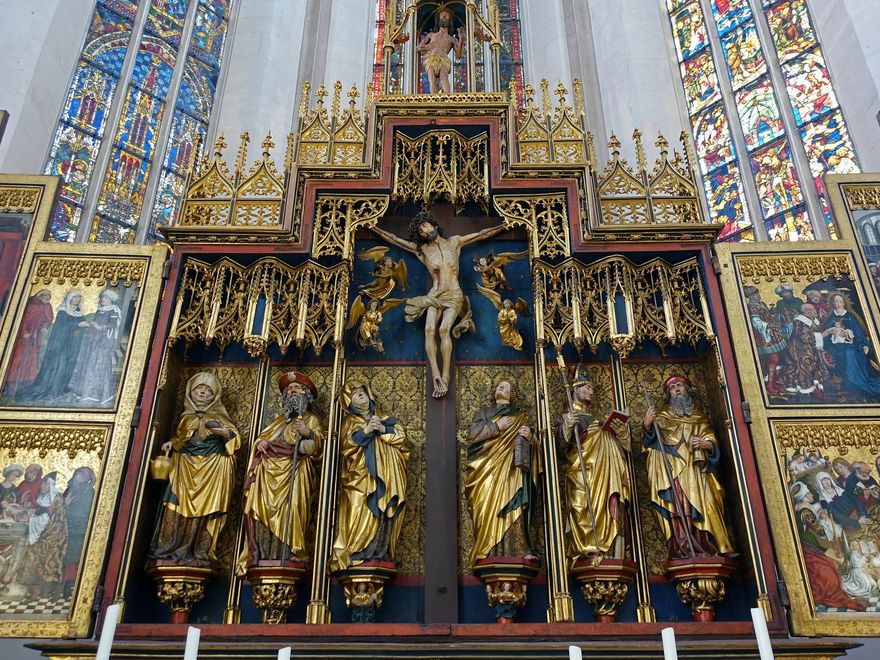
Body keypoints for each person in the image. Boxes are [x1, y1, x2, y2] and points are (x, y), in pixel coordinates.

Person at [370, 211, 506, 397]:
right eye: (421, 230)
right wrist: (371, 227)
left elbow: (481, 234)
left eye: (426, 226)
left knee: (444, 330)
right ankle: (435, 375)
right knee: (428, 329)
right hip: (435, 294)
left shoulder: (455, 242)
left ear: (433, 225)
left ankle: (446, 376)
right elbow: (394, 240)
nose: (425, 231)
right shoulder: (423, 251)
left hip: (454, 294)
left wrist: (505, 225)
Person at [150, 372, 240, 567]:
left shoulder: (219, 416)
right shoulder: (186, 417)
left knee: (205, 509)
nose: (202, 392)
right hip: (184, 466)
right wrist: (171, 443)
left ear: (214, 396)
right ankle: (171, 547)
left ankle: (199, 549)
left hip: (212, 467)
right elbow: (182, 437)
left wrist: (224, 433)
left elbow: (235, 439)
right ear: (191, 392)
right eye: (199, 388)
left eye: (207, 390)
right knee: (175, 506)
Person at [238, 371, 324, 571]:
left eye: (297, 389)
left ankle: (290, 553)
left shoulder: (310, 419)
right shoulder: (278, 422)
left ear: (306, 396)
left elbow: (319, 448)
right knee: (261, 509)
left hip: (296, 474)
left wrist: (308, 433)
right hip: (268, 478)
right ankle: (265, 553)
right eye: (289, 390)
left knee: (293, 509)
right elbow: (262, 439)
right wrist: (261, 444)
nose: (293, 392)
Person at [642, 375, 733, 559]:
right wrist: (647, 424)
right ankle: (683, 548)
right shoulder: (662, 416)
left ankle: (711, 546)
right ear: (668, 394)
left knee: (708, 503)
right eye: (673, 388)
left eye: (680, 386)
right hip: (674, 470)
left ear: (687, 390)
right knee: (680, 507)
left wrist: (707, 444)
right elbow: (650, 443)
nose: (676, 390)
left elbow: (711, 437)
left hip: (697, 470)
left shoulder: (699, 417)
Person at [331, 379, 409, 572]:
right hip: (361, 479)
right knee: (361, 512)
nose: (359, 393)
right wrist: (366, 431)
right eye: (354, 392)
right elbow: (345, 447)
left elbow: (401, 440)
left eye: (362, 391)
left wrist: (382, 429)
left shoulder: (386, 418)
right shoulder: (350, 422)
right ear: (348, 401)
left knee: (383, 511)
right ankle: (357, 553)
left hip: (387, 479)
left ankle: (379, 552)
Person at [556, 367, 629, 563]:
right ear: (575, 389)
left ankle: (610, 548)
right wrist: (566, 427)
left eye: (592, 389)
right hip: (581, 473)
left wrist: (619, 433)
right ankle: (585, 550)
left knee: (609, 504)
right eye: (587, 387)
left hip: (606, 475)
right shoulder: (565, 416)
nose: (591, 391)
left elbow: (623, 448)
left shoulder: (598, 419)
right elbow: (558, 451)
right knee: (581, 507)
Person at [464, 379, 537, 566]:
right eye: (498, 386)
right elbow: (471, 436)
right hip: (487, 470)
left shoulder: (520, 417)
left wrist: (530, 437)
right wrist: (497, 426)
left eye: (505, 387)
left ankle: (519, 549)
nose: (500, 388)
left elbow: (534, 448)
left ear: (512, 394)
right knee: (487, 505)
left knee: (513, 503)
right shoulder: (484, 413)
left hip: (511, 471)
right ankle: (487, 549)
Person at [789, 481, 864, 610]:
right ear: (803, 496)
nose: (811, 495)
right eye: (808, 493)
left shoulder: (798, 506)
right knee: (826, 566)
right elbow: (820, 531)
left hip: (804, 541)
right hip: (808, 542)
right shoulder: (805, 510)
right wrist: (823, 518)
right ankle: (832, 592)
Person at [15, 290, 86, 402]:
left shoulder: (80, 313)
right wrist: (77, 324)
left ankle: (60, 389)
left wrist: (83, 326)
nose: (77, 299)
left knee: (68, 366)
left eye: (78, 297)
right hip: (60, 345)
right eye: (75, 297)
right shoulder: (63, 311)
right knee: (59, 366)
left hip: (73, 345)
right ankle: (53, 390)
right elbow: (60, 327)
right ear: (69, 299)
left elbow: (80, 329)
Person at [821, 292, 880, 400]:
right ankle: (850, 381)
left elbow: (859, 334)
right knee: (842, 352)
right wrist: (830, 331)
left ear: (844, 303)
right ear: (832, 303)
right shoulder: (830, 318)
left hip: (851, 345)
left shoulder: (850, 317)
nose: (838, 303)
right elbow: (825, 335)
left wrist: (863, 344)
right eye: (835, 301)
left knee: (851, 353)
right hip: (834, 347)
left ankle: (857, 381)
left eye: (840, 301)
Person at [69, 289, 121, 406]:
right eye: (102, 297)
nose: (103, 299)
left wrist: (100, 327)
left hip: (104, 341)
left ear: (110, 299)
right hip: (94, 340)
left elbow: (113, 325)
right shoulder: (100, 310)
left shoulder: (114, 310)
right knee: (90, 364)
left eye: (105, 298)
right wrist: (92, 326)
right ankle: (85, 392)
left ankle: (96, 394)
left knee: (99, 365)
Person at [21, 472, 66, 599]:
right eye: (42, 483)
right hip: (42, 533)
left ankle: (45, 590)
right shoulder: (42, 498)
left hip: (54, 535)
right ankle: (36, 589)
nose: (42, 486)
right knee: (30, 552)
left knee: (39, 554)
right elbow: (40, 514)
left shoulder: (56, 498)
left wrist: (33, 519)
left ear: (51, 485)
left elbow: (55, 519)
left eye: (45, 483)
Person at [3, 290, 53, 393]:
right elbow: (22, 319)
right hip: (24, 336)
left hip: (36, 335)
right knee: (18, 358)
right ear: (40, 296)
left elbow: (48, 319)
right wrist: (24, 331)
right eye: (45, 296)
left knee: (32, 359)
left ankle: (26, 382)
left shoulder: (47, 306)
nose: (47, 298)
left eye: (49, 296)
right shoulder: (30, 305)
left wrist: (44, 327)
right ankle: (10, 383)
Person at [777, 303, 830, 398]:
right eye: (811, 309)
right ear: (806, 311)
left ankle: (814, 389)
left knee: (814, 367)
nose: (814, 310)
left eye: (814, 308)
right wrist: (822, 335)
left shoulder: (813, 319)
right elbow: (803, 336)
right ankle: (806, 391)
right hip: (799, 350)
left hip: (810, 348)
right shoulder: (800, 321)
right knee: (804, 368)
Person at [744, 286, 786, 395]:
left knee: (775, 359)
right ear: (751, 297)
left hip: (772, 334)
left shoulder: (761, 304)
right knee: (773, 359)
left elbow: (767, 315)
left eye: (758, 293)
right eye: (755, 294)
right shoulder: (752, 307)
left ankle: (774, 383)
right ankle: (770, 385)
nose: (758, 295)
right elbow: (756, 322)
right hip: (763, 336)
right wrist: (768, 326)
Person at [61, 466, 95, 597]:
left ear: (87, 478)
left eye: (81, 474)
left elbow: (84, 512)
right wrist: (65, 504)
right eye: (77, 473)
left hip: (78, 530)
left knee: (73, 558)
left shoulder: (88, 492)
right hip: (65, 527)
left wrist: (68, 506)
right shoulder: (70, 490)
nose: (77, 476)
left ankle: (69, 585)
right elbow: (60, 507)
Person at [416, 9, 464, 94]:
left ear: (450, 20)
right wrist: (429, 47)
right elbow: (417, 48)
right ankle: (433, 102)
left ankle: (448, 102)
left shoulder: (452, 39)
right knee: (432, 81)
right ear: (438, 19)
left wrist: (461, 39)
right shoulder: (431, 35)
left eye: (447, 15)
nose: (444, 16)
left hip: (443, 60)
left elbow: (459, 55)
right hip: (431, 59)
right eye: (442, 14)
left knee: (444, 79)